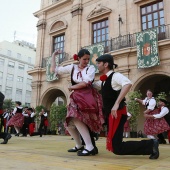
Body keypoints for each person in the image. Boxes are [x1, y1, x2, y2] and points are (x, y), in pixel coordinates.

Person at [94, 54, 159, 159]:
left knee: (117, 147)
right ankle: (151, 145)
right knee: (117, 146)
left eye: (99, 63)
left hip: (118, 113)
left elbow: (128, 84)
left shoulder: (115, 76)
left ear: (106, 64)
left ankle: (151, 145)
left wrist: (116, 103)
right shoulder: (104, 80)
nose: (97, 65)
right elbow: (94, 85)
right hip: (113, 115)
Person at [51, 49, 104, 156]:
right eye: (84, 59)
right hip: (76, 97)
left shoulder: (91, 68)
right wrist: (53, 56)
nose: (86, 61)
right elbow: (54, 70)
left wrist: (72, 87)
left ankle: (89, 146)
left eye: (88, 59)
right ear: (78, 58)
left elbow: (86, 83)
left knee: (77, 119)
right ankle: (80, 144)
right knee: (69, 122)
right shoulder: (72, 67)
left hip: (87, 96)